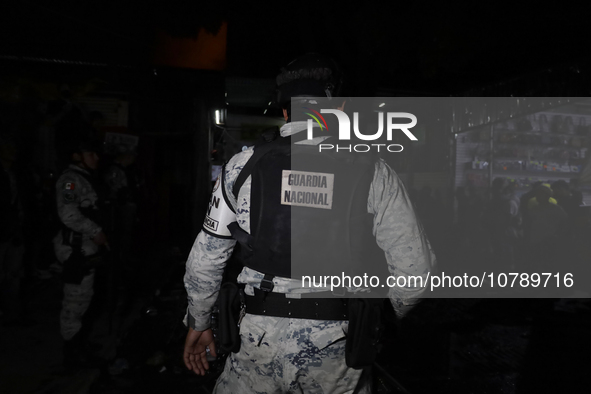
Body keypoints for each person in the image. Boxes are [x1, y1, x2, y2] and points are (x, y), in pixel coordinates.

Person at [183, 54, 435, 393]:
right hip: (337, 349)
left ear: (284, 109)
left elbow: (206, 259)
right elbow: (416, 273)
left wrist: (199, 322)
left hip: (255, 341)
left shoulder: (242, 166)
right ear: (339, 108)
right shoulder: (373, 171)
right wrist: (378, 320)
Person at [53, 138, 109, 366]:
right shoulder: (70, 181)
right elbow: (67, 213)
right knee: (74, 304)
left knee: (87, 301)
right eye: (91, 154)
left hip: (89, 249)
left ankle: (80, 344)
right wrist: (94, 230)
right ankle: (71, 354)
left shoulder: (86, 179)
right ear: (77, 156)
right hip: (77, 250)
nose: (96, 158)